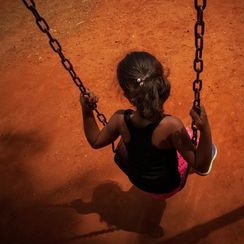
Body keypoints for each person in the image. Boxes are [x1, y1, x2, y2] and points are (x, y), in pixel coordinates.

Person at [80, 51, 216, 199]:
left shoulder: (119, 119)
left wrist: (87, 111)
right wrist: (205, 128)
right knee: (190, 135)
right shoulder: (171, 126)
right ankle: (208, 152)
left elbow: (95, 141)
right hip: (168, 188)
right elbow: (200, 164)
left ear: (127, 95)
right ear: (161, 85)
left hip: (140, 184)